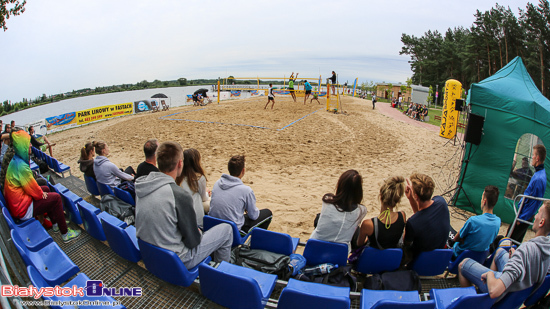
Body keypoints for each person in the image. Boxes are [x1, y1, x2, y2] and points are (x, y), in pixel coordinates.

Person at [135, 141, 233, 269]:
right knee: (226, 230)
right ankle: (223, 274)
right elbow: (193, 241)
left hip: (149, 253)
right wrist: (197, 231)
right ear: (180, 163)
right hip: (176, 260)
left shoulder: (142, 185)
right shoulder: (178, 195)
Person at [458, 201, 550, 302]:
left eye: (538, 212)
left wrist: (489, 274)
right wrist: (516, 258)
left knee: (463, 264)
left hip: (504, 289)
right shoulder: (546, 248)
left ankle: (474, 303)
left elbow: (495, 291)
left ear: (541, 222)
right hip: (518, 290)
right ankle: (485, 297)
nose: (535, 216)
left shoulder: (526, 249)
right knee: (500, 252)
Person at [4, 129, 80, 242]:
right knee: (56, 198)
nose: (30, 145)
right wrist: (40, 193)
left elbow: (31, 186)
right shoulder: (20, 166)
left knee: (45, 188)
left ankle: (55, 223)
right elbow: (32, 188)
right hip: (22, 209)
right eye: (28, 144)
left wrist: (40, 192)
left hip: (20, 203)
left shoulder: (17, 160)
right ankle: (65, 233)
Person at [209, 155, 272, 233]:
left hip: (213, 224)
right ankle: (256, 241)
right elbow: (254, 216)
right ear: (243, 171)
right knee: (268, 214)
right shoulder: (246, 190)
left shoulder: (218, 183)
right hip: (232, 230)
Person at [310, 170, 367, 250]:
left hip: (314, 248)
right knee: (355, 228)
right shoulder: (362, 210)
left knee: (319, 217)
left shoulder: (327, 200)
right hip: (340, 254)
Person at [403, 173, 450, 263]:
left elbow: (406, 244)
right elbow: (423, 214)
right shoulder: (441, 202)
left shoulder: (412, 223)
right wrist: (411, 199)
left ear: (416, 196)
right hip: (438, 257)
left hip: (419, 260)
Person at [507, 144, 546, 243]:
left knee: (509, 240)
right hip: (524, 215)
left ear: (537, 158)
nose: (532, 157)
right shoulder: (538, 174)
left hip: (524, 216)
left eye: (533, 155)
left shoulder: (539, 178)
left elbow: (534, 202)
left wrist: (522, 218)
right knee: (515, 240)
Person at [357, 176, 406, 249]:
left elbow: (359, 244)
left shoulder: (368, 224)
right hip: (393, 258)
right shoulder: (402, 216)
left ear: (381, 196)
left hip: (374, 258)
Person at [452, 185, 501, 258]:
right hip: (479, 258)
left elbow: (456, 239)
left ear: (484, 201)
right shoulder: (498, 221)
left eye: (482, 198)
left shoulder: (473, 221)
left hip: (459, 256)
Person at [176, 148, 211, 227]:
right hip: (195, 217)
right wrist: (207, 193)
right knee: (208, 200)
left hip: (181, 213)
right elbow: (203, 198)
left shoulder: (178, 177)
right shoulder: (199, 178)